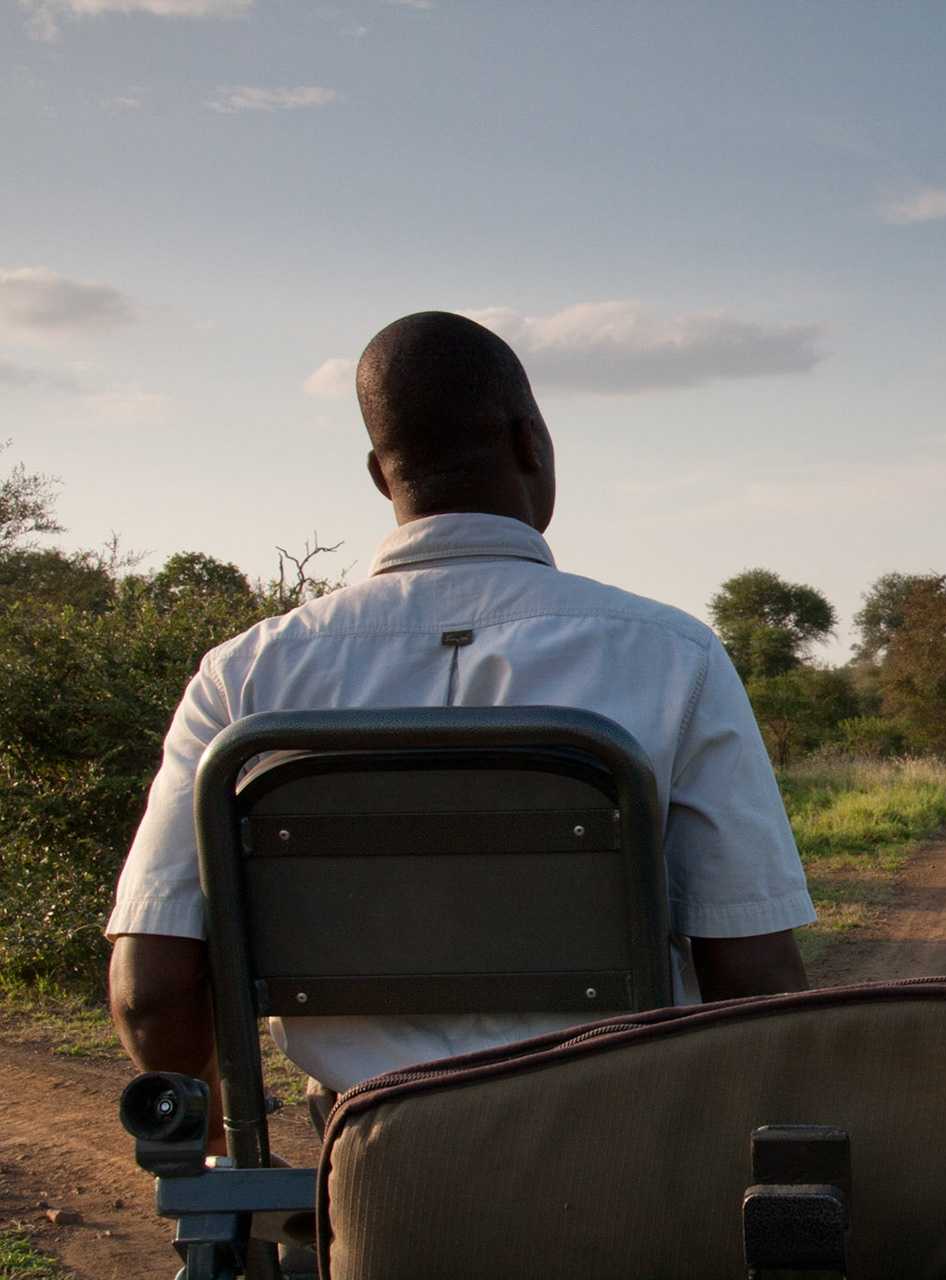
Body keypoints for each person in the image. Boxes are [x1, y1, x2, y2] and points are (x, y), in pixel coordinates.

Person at [106, 311, 814, 1111]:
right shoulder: (673, 654)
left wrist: (216, 1143)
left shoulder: (244, 675)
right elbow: (753, 977)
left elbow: (151, 989)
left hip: (368, 1153)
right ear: (532, 446)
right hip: (622, 1140)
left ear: (381, 474)